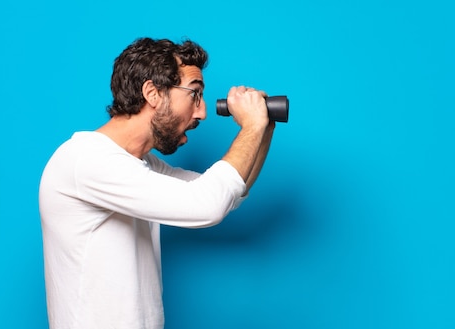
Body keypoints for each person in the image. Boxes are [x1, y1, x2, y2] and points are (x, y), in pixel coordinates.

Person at [38, 37, 276, 329]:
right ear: (152, 92)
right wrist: (251, 126)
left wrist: (263, 127)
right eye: (194, 94)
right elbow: (209, 205)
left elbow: (230, 194)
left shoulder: (140, 165)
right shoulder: (85, 160)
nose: (201, 112)